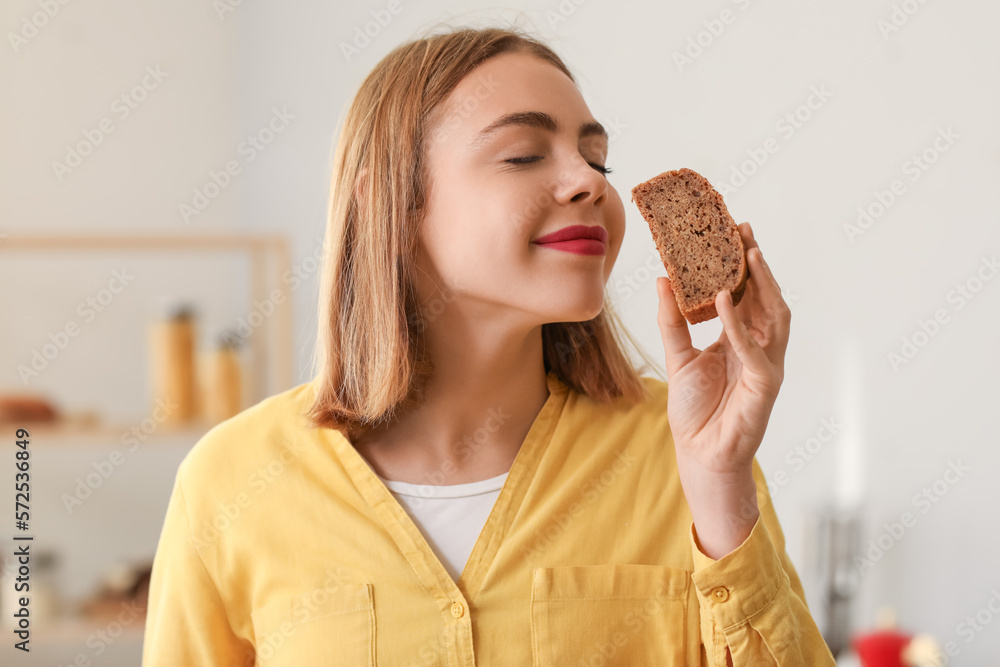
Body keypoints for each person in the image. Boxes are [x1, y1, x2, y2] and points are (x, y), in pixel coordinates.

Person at [142, 23, 836, 666]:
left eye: (598, 159)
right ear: (393, 203)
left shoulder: (682, 453)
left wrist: (719, 489)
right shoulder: (229, 482)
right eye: (524, 155)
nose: (589, 182)